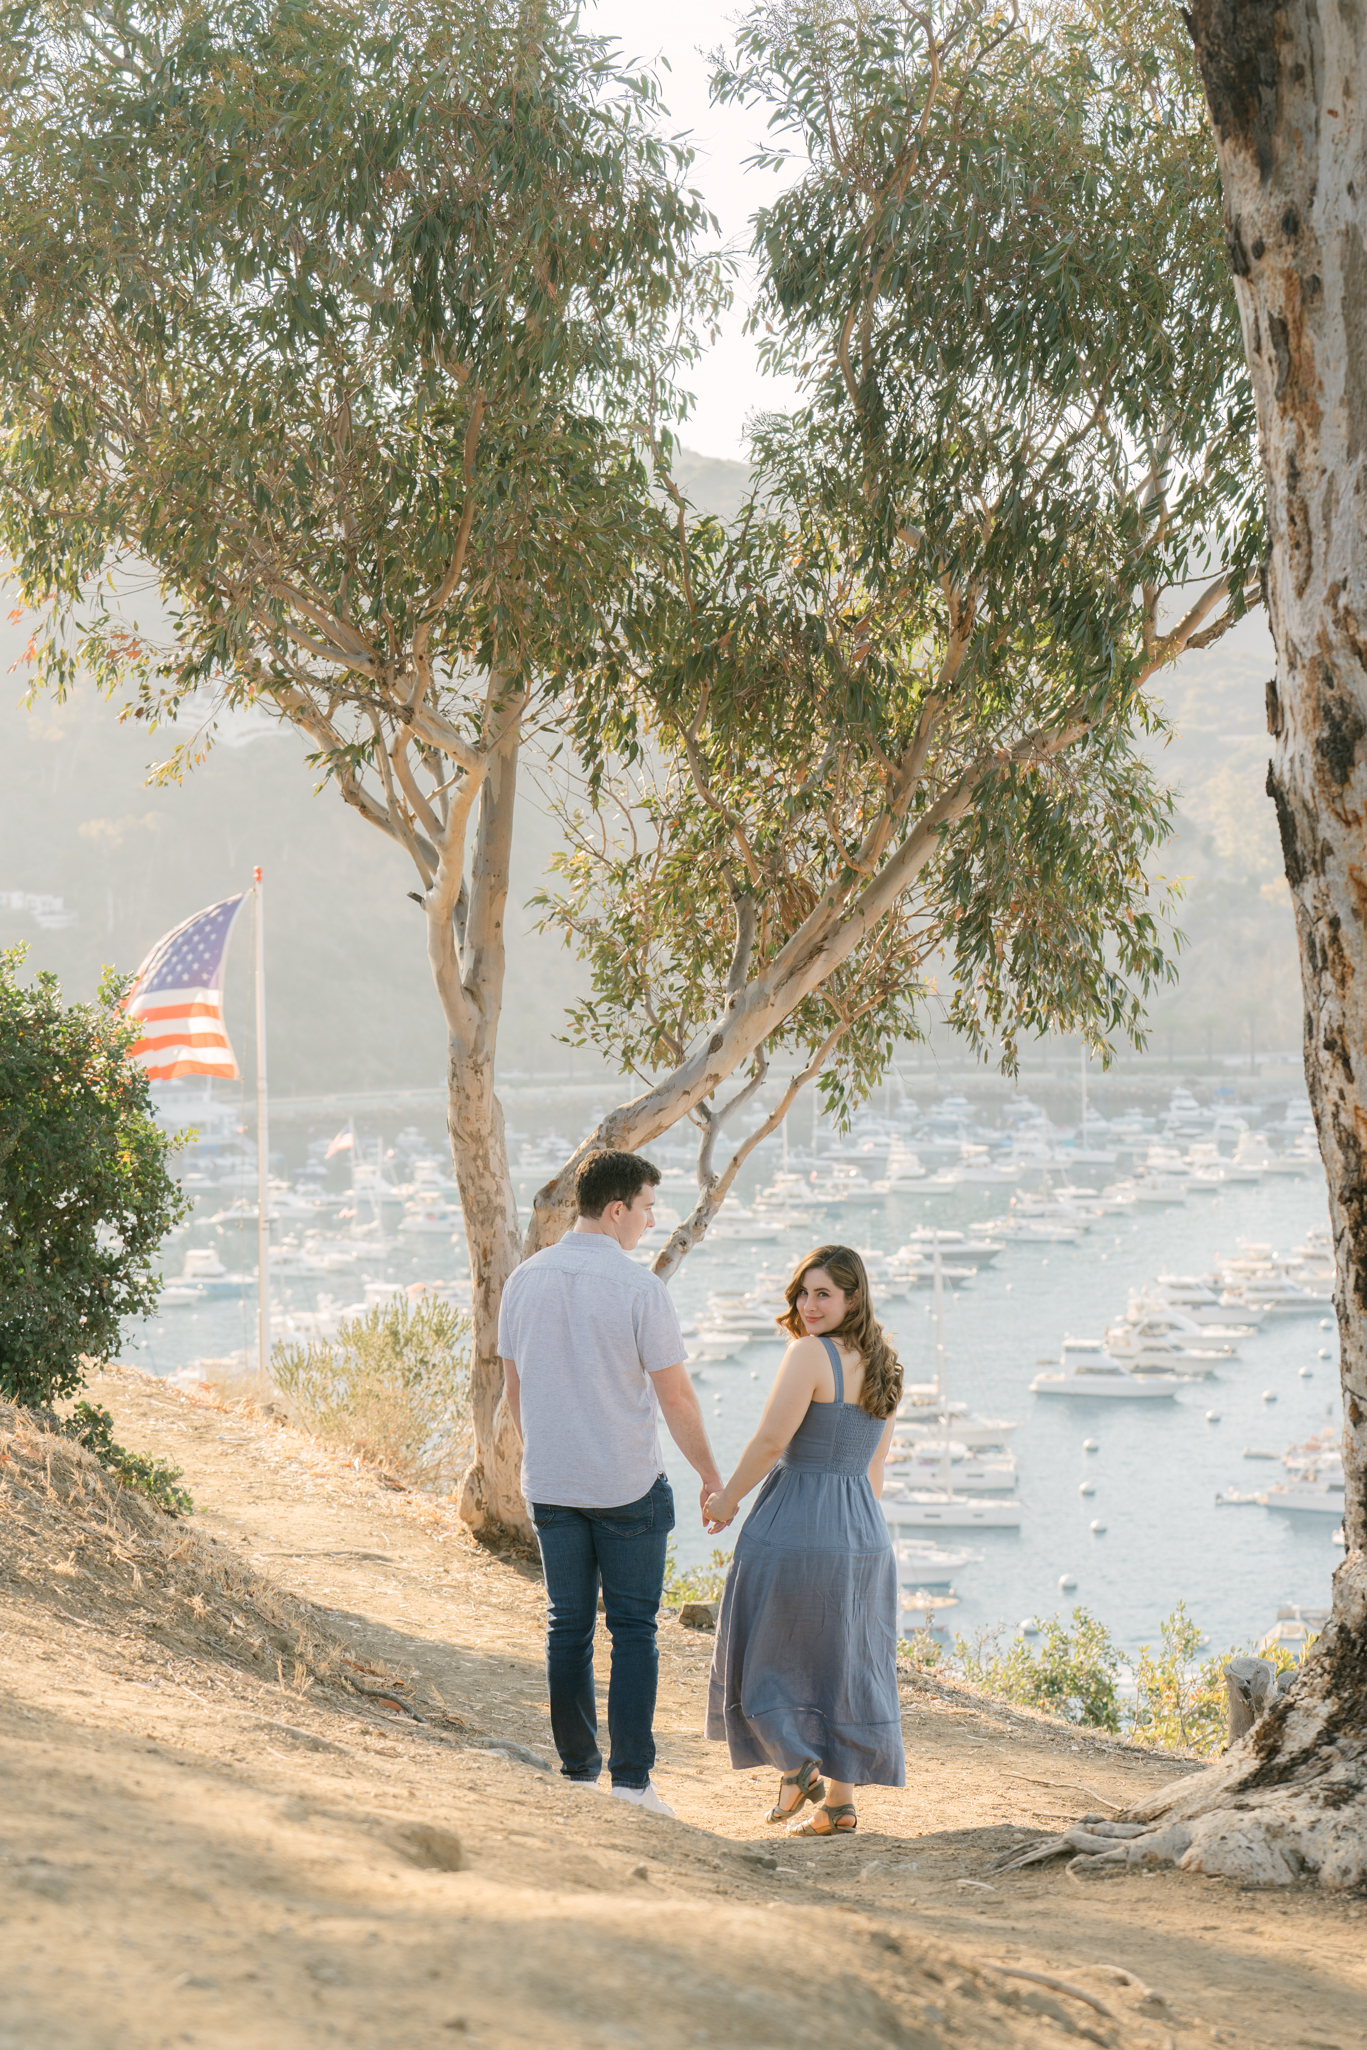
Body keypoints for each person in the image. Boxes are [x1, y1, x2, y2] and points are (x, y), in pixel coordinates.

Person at [499, 1149, 722, 1817]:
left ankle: (575, 1773)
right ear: (616, 1208)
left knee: (566, 1626)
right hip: (625, 1484)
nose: (651, 1223)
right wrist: (710, 1475)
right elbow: (676, 1399)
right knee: (632, 1631)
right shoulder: (638, 1289)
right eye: (648, 1208)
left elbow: (515, 1388)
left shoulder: (524, 1279)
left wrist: (545, 1452)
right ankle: (630, 1784)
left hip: (553, 1482)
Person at [702, 1243, 905, 1835]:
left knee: (766, 1654)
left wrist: (727, 1498)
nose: (808, 1305)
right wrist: (857, 1533)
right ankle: (840, 1802)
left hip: (796, 1524)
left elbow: (771, 1442)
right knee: (845, 1665)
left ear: (853, 1298)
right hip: (864, 1533)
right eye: (803, 1292)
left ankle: (796, 1767)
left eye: (824, 1294)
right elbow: (876, 1468)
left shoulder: (809, 1354)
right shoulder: (888, 1363)